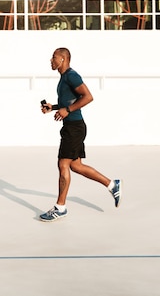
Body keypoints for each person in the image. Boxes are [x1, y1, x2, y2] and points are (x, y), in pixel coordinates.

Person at [39, 47, 121, 222]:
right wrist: (53, 107)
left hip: (74, 128)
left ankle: (60, 207)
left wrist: (67, 110)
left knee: (63, 164)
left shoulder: (71, 75)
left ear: (63, 59)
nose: (51, 61)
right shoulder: (64, 78)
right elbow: (69, 101)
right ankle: (112, 184)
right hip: (72, 126)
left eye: (53, 57)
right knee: (75, 166)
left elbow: (88, 96)